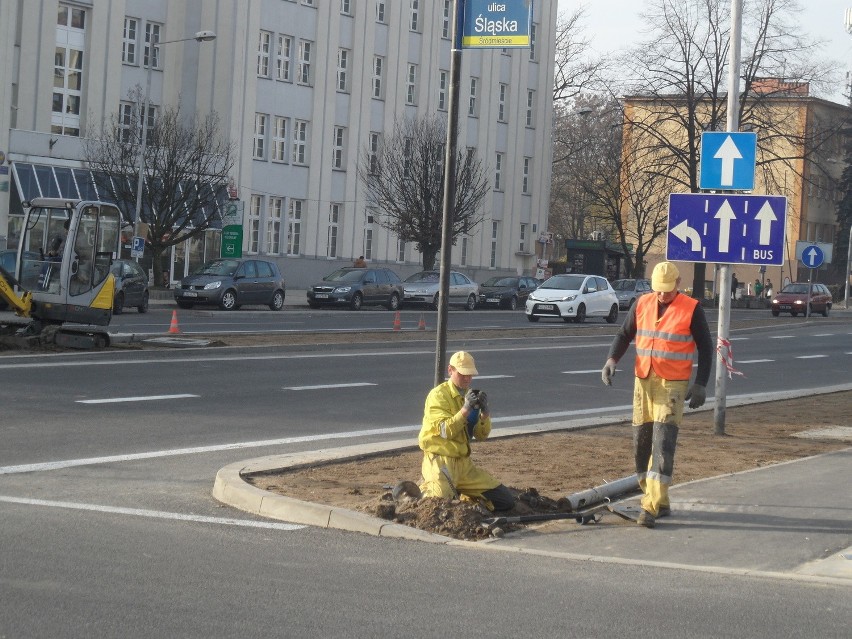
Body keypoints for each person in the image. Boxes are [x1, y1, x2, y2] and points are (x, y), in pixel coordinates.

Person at [600, 262, 713, 528]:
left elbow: (706, 348)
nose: (662, 295)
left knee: (662, 445)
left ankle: (650, 507)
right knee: (641, 443)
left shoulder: (691, 308)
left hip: (672, 386)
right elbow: (624, 334)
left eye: (667, 290)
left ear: (677, 283)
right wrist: (611, 360)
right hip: (643, 382)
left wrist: (701, 384)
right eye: (658, 290)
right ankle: (657, 499)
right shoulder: (642, 303)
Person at [418, 351, 515, 512]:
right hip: (440, 462)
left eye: (470, 374)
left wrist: (484, 413)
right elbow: (445, 432)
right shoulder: (438, 396)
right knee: (438, 505)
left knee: (505, 501)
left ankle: (463, 496)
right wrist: (465, 409)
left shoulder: (470, 396)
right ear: (450, 370)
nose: (467, 379)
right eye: (463, 374)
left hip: (464, 465)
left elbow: (481, 435)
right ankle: (419, 492)